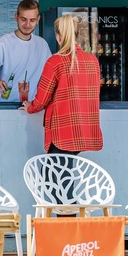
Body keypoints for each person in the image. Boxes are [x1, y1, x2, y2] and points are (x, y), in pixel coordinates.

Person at [22, 14, 103, 156]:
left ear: (58, 36)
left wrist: (30, 107)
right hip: (85, 130)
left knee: (54, 169)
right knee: (61, 168)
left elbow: (42, 99)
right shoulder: (93, 61)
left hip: (63, 130)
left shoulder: (55, 62)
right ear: (76, 35)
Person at [0, 0, 52, 104]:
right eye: (23, 19)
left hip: (26, 107)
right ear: (16, 17)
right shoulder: (3, 42)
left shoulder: (42, 45)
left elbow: (52, 73)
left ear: (38, 19)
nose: (27, 24)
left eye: (32, 20)